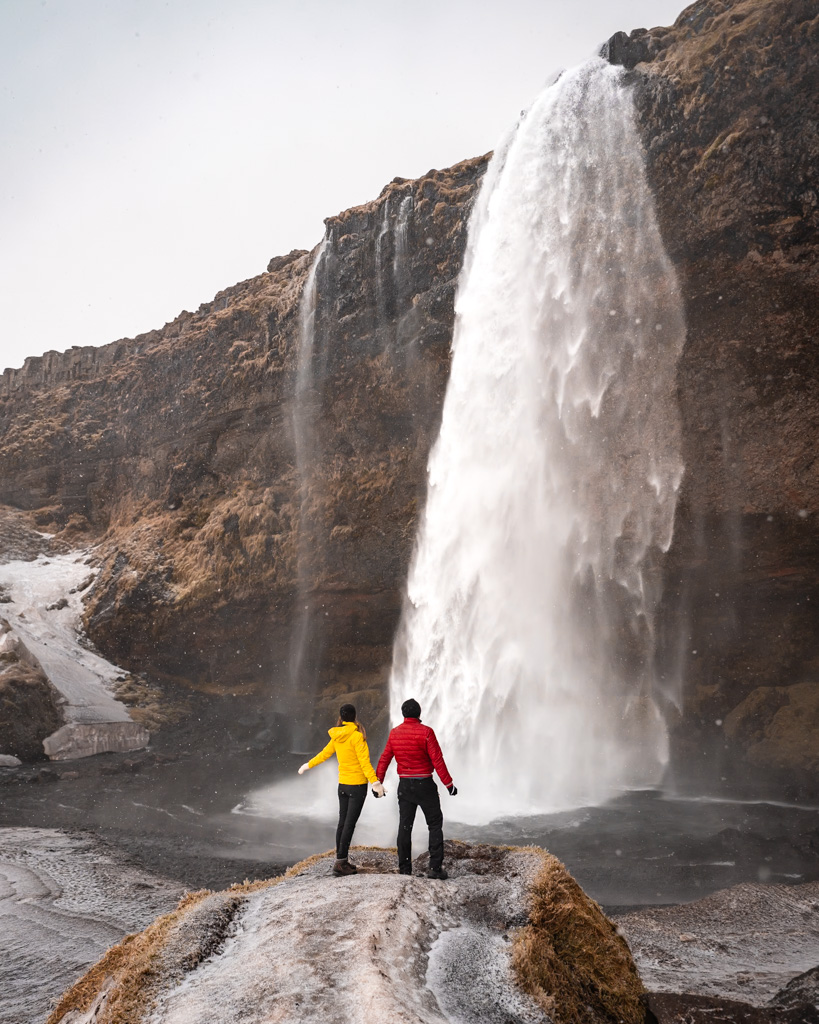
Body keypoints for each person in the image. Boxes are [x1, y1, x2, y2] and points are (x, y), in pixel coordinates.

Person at [298, 703, 386, 876]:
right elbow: (365, 763)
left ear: (341, 717)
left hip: (343, 786)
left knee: (342, 823)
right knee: (349, 825)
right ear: (354, 717)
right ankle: (340, 864)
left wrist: (308, 765)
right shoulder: (356, 736)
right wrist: (375, 783)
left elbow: (324, 754)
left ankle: (342, 860)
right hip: (357, 786)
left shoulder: (337, 736)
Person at [376, 698, 457, 880]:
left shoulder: (395, 733)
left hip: (405, 786)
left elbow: (385, 759)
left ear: (403, 714)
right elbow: (437, 759)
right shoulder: (426, 732)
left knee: (405, 826)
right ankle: (435, 868)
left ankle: (405, 869)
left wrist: (378, 783)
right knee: (434, 824)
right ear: (419, 713)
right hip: (425, 784)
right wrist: (448, 784)